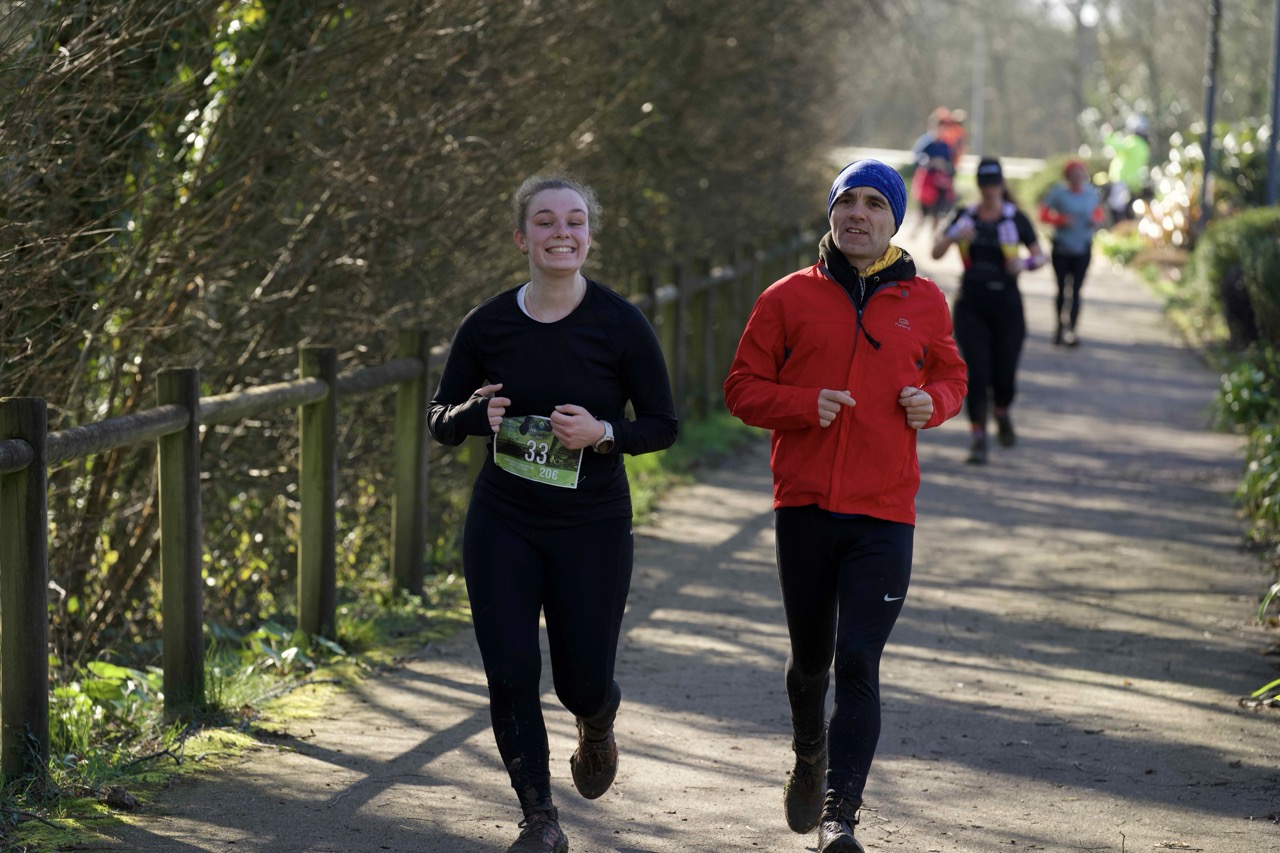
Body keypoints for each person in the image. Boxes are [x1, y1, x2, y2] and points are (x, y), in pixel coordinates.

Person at [427, 173, 679, 853]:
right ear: (522, 238)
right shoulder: (487, 324)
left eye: (574, 221)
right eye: (545, 221)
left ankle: (597, 721)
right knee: (510, 673)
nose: (560, 232)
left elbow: (663, 423)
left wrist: (603, 432)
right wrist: (474, 414)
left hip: (592, 525)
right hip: (503, 521)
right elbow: (440, 418)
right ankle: (539, 818)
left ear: (589, 237)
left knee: (582, 682)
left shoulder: (620, 324)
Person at [724, 159, 967, 852]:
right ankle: (809, 753)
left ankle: (841, 815)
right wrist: (805, 404)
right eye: (847, 201)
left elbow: (952, 374)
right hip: (804, 505)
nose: (858, 213)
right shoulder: (786, 297)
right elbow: (741, 389)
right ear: (832, 212)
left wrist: (933, 402)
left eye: (874, 204)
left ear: (894, 219)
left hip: (885, 512)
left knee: (859, 660)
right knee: (812, 662)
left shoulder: (926, 301)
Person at [932, 157, 1045, 465]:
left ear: (1002, 184)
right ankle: (978, 438)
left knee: (1004, 378)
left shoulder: (1014, 218)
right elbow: (935, 251)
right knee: (977, 374)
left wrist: (1025, 263)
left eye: (994, 183)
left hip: (1007, 306)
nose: (989, 190)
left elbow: (1040, 256)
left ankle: (1002, 411)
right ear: (979, 185)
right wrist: (954, 235)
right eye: (984, 183)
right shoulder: (965, 216)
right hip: (971, 305)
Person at [1039, 159, 1104, 346]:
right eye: (1074, 173)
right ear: (1067, 176)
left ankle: (1072, 331)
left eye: (1080, 173)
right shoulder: (1058, 193)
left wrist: (1095, 220)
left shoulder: (1091, 193)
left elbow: (1098, 213)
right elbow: (1042, 214)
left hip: (1083, 248)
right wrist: (1060, 220)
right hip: (1062, 248)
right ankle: (1059, 327)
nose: (1077, 177)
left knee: (1076, 291)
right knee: (1061, 289)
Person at [909, 108, 956, 235]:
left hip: (941, 182)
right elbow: (916, 159)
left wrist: (944, 166)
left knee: (937, 213)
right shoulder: (926, 142)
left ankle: (933, 237)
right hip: (927, 182)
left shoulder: (946, 145)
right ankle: (913, 235)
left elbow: (950, 164)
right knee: (923, 213)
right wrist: (930, 162)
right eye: (940, 125)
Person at [1104, 115, 1151, 223]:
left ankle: (1120, 228)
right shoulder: (1144, 145)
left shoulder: (1134, 142)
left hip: (1122, 180)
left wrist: (1109, 135)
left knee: (1117, 209)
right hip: (1132, 181)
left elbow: (1118, 146)